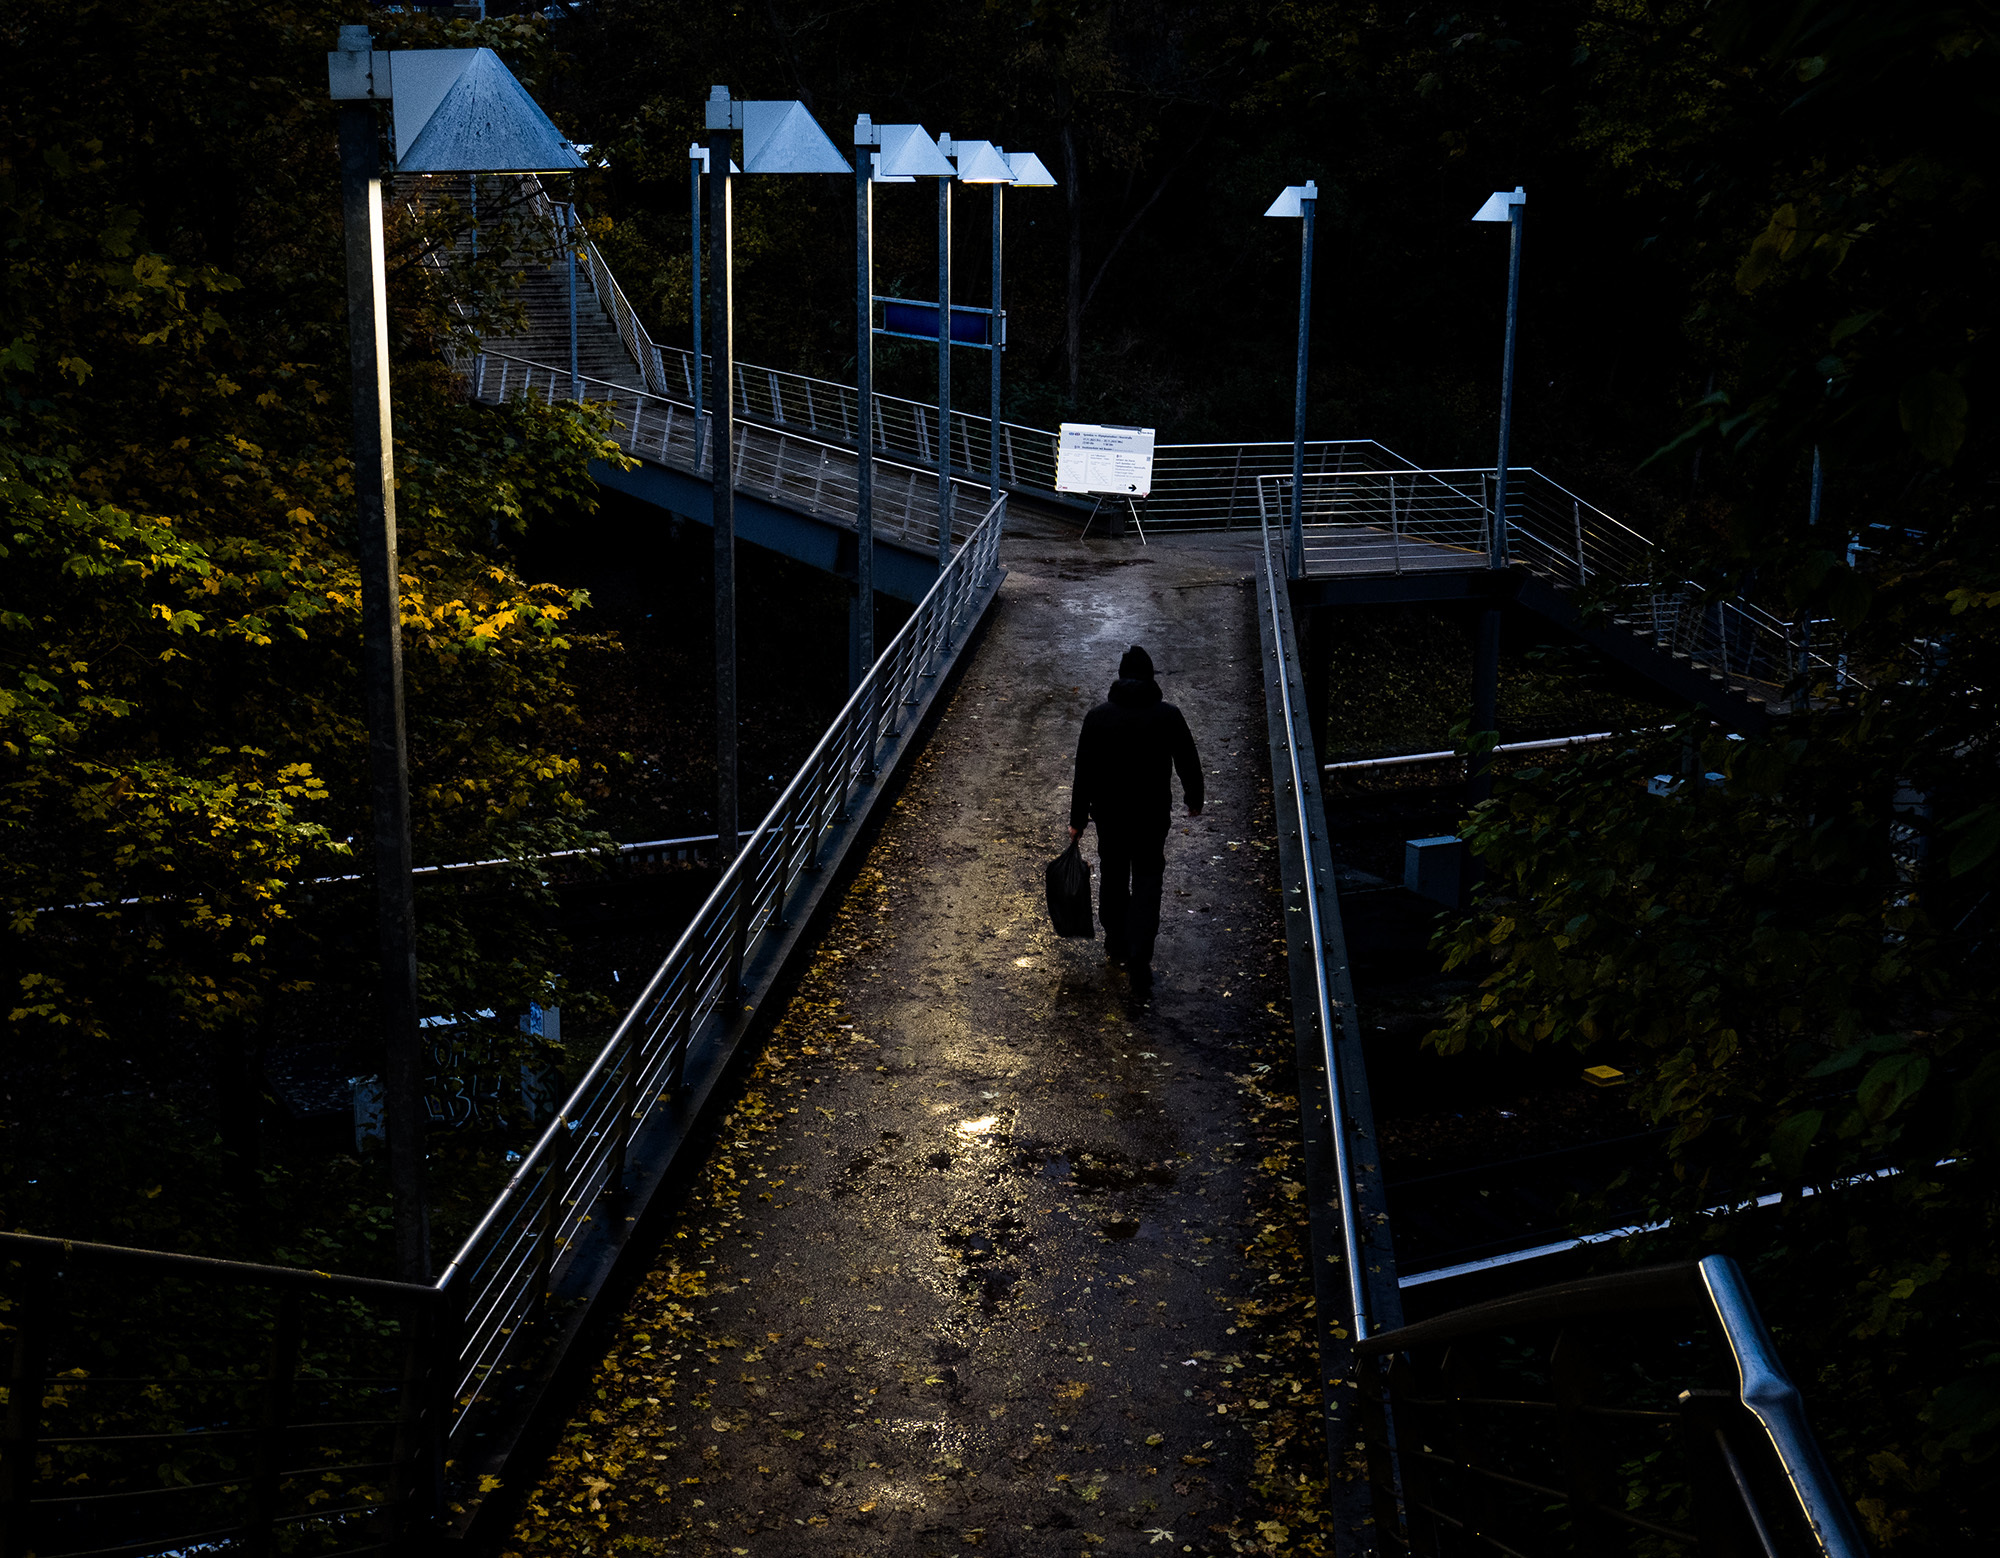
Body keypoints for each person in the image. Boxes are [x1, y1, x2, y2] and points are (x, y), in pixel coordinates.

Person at [1067, 644, 1203, 999]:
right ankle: (1141, 953)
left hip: (1110, 816)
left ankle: (1116, 940)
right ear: (1150, 677)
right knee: (1147, 880)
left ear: (1120, 676)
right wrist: (1194, 798)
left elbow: (1085, 772)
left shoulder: (1097, 718)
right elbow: (1187, 758)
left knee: (1113, 875)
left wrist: (1077, 818)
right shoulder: (1167, 716)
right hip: (1151, 817)